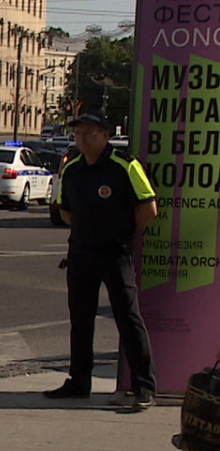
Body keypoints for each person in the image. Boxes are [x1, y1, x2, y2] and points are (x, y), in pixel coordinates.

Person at [44, 109, 158, 411]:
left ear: (106, 136)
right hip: (81, 253)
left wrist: (120, 234)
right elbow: (64, 210)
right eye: (78, 133)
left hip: (116, 252)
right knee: (80, 321)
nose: (82, 139)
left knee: (128, 317)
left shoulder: (125, 165)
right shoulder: (73, 169)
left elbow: (149, 207)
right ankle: (79, 382)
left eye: (90, 133)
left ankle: (144, 386)